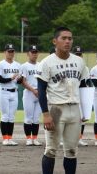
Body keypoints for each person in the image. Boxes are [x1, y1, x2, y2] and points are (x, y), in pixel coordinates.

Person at [36, 27, 89, 174]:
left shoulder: (79, 61)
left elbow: (84, 86)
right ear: (55, 41)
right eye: (63, 38)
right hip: (56, 109)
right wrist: (46, 114)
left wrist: (85, 111)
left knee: (72, 151)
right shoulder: (47, 62)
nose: (67, 41)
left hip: (75, 109)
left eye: (70, 38)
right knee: (51, 149)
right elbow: (41, 89)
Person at [0, 44, 22, 146]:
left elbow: (19, 81)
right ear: (5, 52)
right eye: (9, 51)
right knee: (5, 116)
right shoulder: (1, 64)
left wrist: (19, 79)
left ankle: (10, 138)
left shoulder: (17, 65)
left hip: (14, 92)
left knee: (11, 116)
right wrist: (11, 78)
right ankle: (5, 139)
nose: (11, 53)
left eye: (12, 51)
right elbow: (0, 79)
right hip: (4, 91)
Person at [21, 45, 42, 146]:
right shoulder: (24, 66)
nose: (34, 54)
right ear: (28, 54)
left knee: (36, 118)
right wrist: (33, 90)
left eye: (36, 52)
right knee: (28, 117)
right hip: (29, 93)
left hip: (39, 93)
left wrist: (41, 91)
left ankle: (35, 138)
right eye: (32, 52)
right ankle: (29, 138)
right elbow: (23, 81)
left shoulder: (40, 65)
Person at [72, 46, 89, 147]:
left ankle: (79, 138)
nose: (78, 56)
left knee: (82, 118)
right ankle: (63, 139)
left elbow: (84, 83)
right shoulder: (68, 65)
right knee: (67, 117)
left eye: (79, 54)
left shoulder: (85, 68)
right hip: (68, 94)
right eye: (76, 54)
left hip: (80, 93)